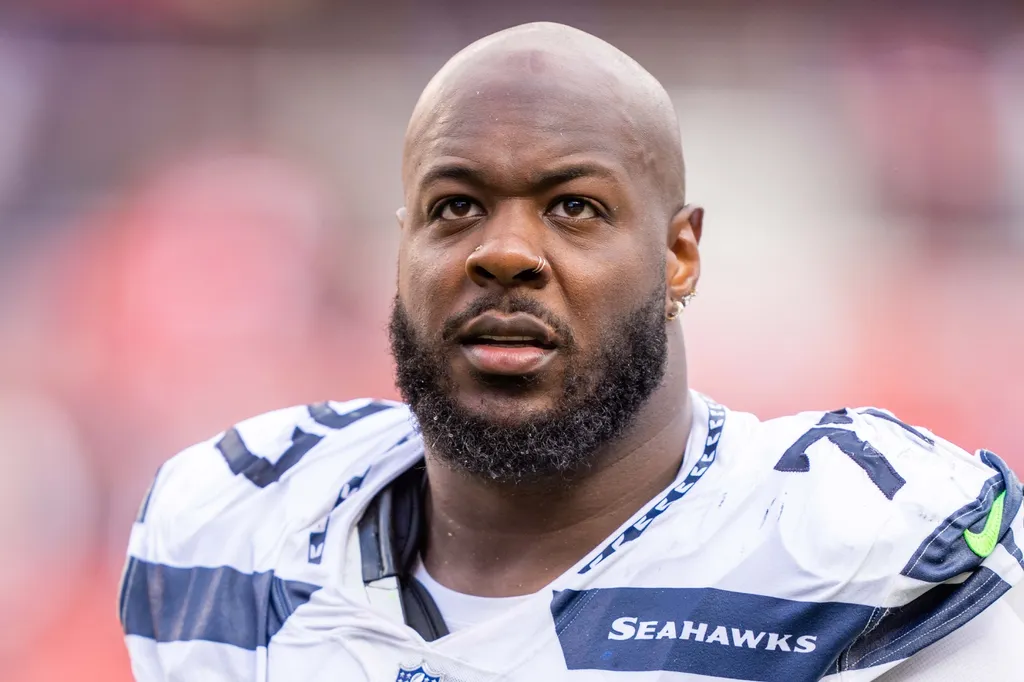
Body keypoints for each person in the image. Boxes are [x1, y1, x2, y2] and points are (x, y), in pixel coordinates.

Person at [119, 23, 1024, 682]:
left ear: (679, 255)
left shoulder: (856, 543)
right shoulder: (230, 533)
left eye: (574, 207)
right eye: (455, 206)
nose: (503, 253)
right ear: (401, 249)